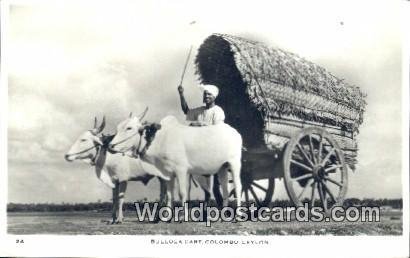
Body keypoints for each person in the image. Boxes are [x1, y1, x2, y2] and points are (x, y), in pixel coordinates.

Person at [177, 84, 225, 207]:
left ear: (214, 97)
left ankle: (220, 209)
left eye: (209, 94)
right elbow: (186, 111)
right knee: (208, 186)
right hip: (200, 149)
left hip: (214, 149)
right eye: (205, 94)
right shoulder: (199, 111)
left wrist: (200, 124)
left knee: (215, 186)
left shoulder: (218, 111)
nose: (206, 96)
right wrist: (181, 94)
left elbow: (218, 129)